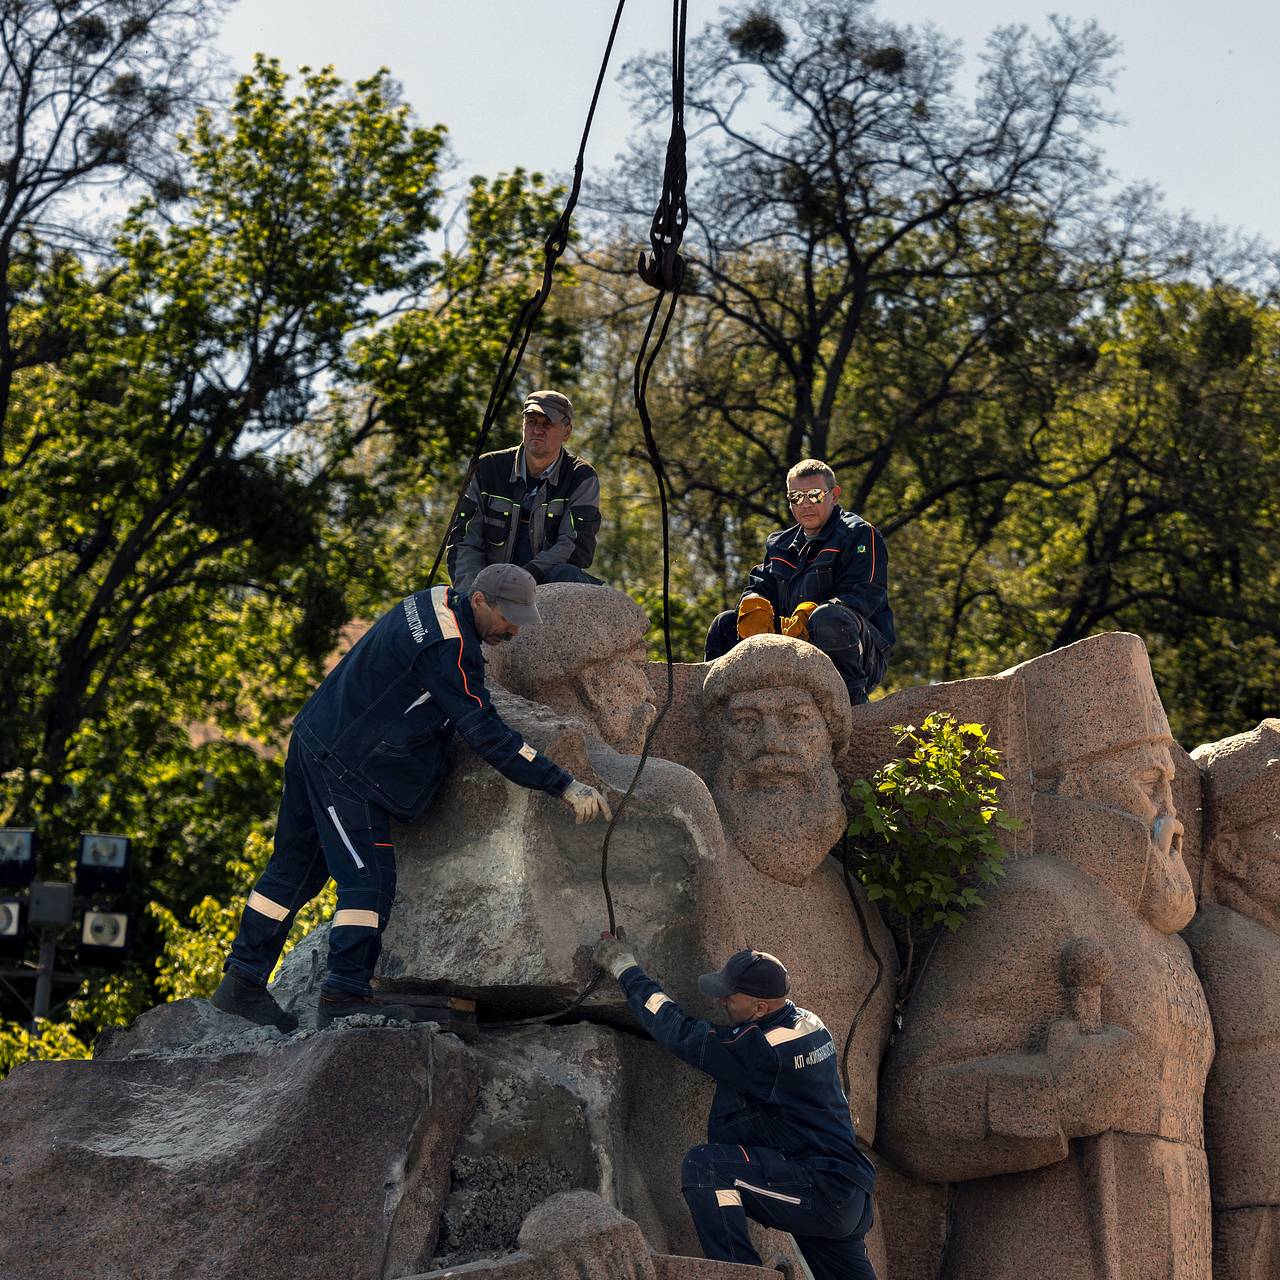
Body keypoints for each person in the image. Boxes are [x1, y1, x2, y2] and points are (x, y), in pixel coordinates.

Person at [211, 564, 612, 1032]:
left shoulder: (432, 601)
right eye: (509, 617)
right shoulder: (450, 647)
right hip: (348, 767)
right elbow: (487, 733)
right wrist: (563, 783)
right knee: (368, 883)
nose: (515, 628)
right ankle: (343, 994)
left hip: (315, 737)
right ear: (479, 601)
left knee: (292, 870)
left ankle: (240, 982)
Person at [593, 938, 878, 1280]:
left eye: (731, 995)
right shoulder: (809, 1023)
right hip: (846, 1191)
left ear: (760, 1008)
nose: (721, 1000)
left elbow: (678, 1030)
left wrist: (625, 967)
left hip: (819, 1191)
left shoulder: (761, 1048)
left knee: (707, 1168)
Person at [704, 459, 894, 703]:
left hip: (862, 654)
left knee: (828, 618)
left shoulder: (859, 533)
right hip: (793, 647)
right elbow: (759, 586)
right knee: (726, 623)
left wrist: (811, 611)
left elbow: (865, 594)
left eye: (814, 495)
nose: (805, 504)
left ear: (834, 495)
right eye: (796, 497)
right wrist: (753, 602)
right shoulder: (779, 544)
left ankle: (852, 704)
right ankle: (713, 707)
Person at [447, 390, 602, 592]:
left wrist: (523, 579)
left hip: (545, 587)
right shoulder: (487, 468)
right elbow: (463, 541)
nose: (537, 429)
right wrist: (475, 594)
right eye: (531, 421)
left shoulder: (581, 477)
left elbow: (576, 547)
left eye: (547, 424)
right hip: (489, 587)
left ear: (567, 431)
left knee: (568, 575)